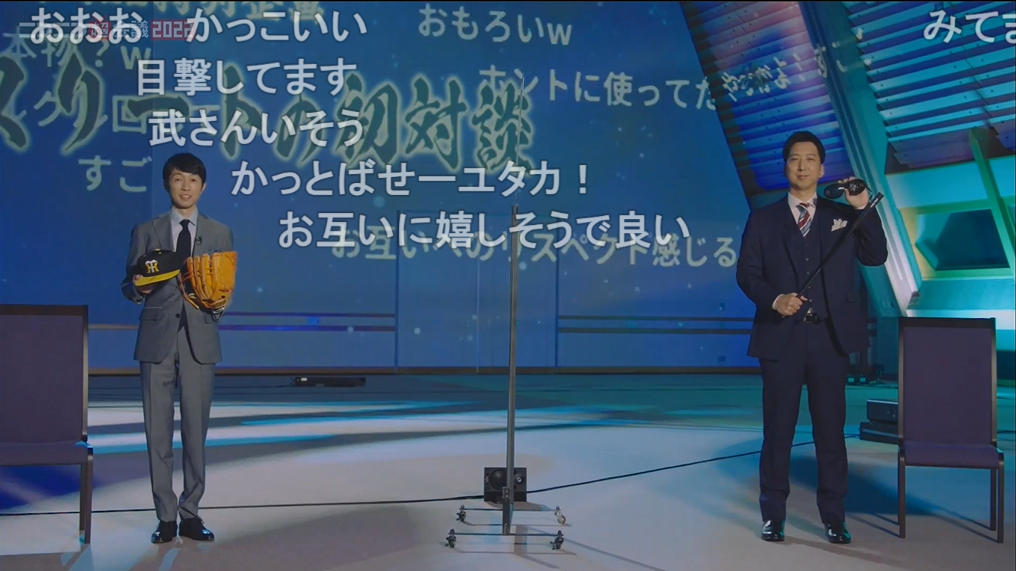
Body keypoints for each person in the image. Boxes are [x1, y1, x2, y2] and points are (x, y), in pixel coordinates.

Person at [735, 131, 888, 544]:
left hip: (828, 339)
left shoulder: (842, 215)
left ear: (822, 169)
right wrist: (775, 299)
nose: (802, 166)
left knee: (830, 432)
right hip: (780, 340)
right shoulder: (763, 219)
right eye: (794, 159)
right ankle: (773, 514)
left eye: (810, 159)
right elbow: (746, 273)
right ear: (785, 166)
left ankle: (834, 516)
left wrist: (861, 206)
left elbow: (876, 256)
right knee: (778, 431)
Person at [120, 152, 234, 544]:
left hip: (200, 340)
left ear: (203, 187)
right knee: (157, 432)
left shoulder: (219, 233)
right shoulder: (146, 230)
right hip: (156, 339)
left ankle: (191, 512)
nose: (185, 187)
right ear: (167, 184)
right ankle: (165, 516)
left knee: (195, 431)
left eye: (193, 180)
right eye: (178, 179)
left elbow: (226, 286)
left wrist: (217, 306)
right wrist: (138, 288)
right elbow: (128, 284)